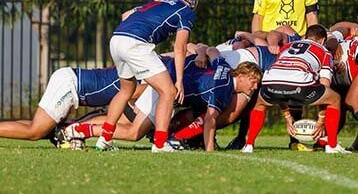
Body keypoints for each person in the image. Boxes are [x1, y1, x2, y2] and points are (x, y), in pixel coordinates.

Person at [65, 51, 262, 152]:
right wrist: (210, 150)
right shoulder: (225, 89)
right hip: (164, 88)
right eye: (253, 81)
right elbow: (210, 120)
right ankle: (78, 130)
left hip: (163, 76)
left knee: (127, 118)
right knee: (134, 132)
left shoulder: (224, 67)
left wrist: (201, 55)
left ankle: (78, 129)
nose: (254, 87)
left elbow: (211, 50)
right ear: (242, 75)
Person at [97, 0, 200, 152]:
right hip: (135, 44)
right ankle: (160, 143)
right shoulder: (186, 11)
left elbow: (126, 15)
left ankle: (105, 138)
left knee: (126, 90)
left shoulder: (161, 1)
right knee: (169, 91)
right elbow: (180, 46)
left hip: (117, 38)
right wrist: (179, 80)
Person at [241, 24, 349, 154]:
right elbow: (325, 85)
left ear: (306, 37)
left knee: (260, 105)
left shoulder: (287, 47)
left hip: (270, 81)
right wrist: (321, 120)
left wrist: (287, 116)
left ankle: (249, 144)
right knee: (334, 98)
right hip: (299, 84)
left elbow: (282, 78)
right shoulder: (324, 51)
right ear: (322, 40)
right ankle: (332, 145)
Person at [0, 65, 143, 144]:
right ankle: (71, 131)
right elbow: (131, 98)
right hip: (70, 85)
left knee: (41, 126)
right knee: (35, 131)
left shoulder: (143, 66)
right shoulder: (151, 75)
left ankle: (69, 131)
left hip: (70, 80)